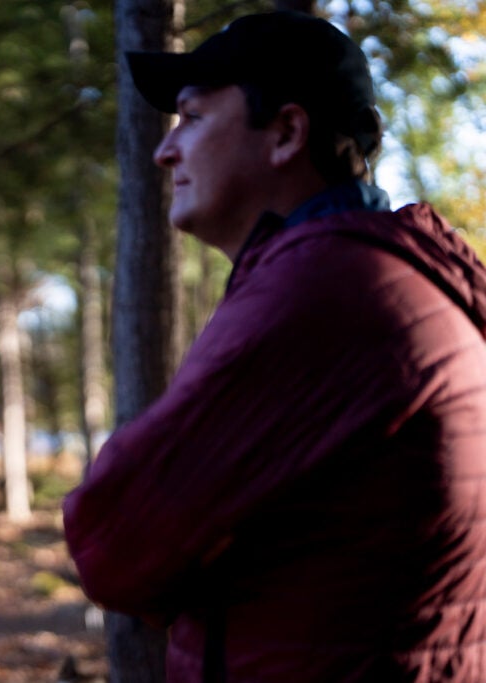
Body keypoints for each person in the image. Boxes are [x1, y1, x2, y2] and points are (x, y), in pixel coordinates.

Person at [63, 11, 486, 682]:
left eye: (192, 118)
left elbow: (114, 540)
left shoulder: (328, 289)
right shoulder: (396, 274)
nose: (165, 151)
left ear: (287, 132)